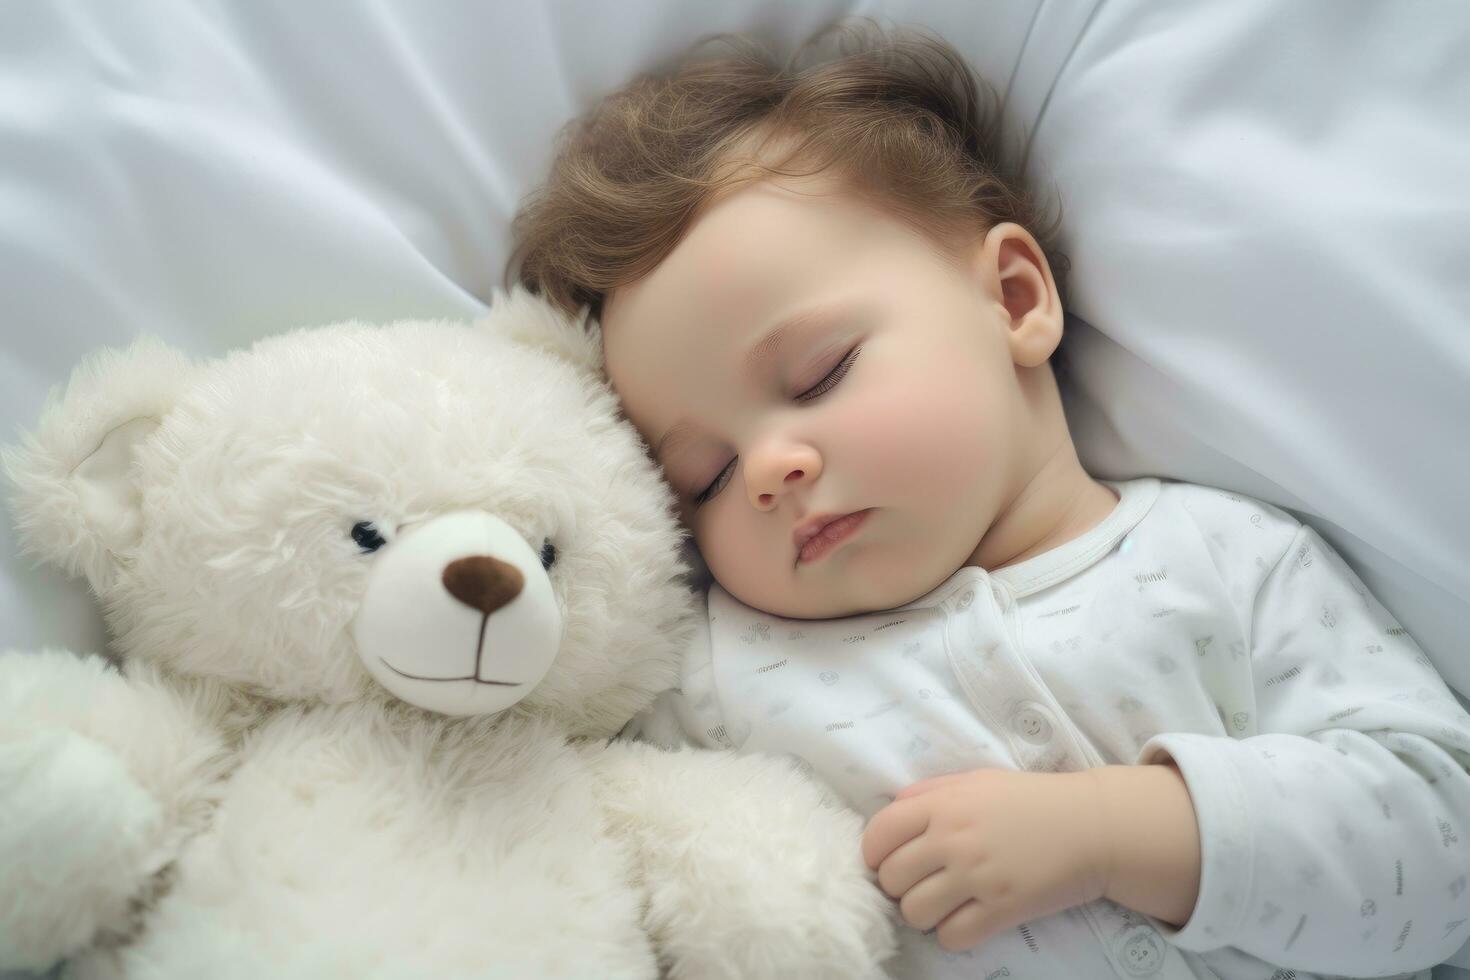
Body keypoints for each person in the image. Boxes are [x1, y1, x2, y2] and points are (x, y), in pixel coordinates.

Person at [508, 19, 1470, 980]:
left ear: (1012, 299)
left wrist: (1123, 832)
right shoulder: (721, 682)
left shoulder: (1229, 558)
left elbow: (1442, 837)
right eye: (705, 479)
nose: (765, 471)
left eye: (819, 374)